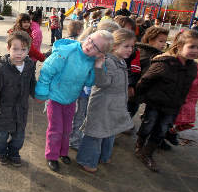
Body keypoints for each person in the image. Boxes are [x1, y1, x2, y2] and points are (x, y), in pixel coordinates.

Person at [35, 30, 113, 172]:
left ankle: (63, 152)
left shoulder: (91, 60)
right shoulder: (67, 51)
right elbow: (47, 70)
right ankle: (51, 155)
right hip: (55, 98)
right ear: (88, 36)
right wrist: (41, 92)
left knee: (67, 129)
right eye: (90, 40)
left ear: (101, 53)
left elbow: (89, 82)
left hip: (71, 99)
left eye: (96, 47)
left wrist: (97, 65)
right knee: (56, 129)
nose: (90, 46)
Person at [135, 29, 198, 172]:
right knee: (148, 126)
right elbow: (146, 80)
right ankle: (139, 144)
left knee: (161, 130)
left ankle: (147, 153)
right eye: (191, 46)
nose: (195, 51)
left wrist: (184, 104)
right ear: (179, 46)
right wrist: (139, 95)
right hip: (155, 103)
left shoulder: (192, 67)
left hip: (173, 106)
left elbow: (188, 88)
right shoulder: (164, 63)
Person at [76, 29, 135, 173]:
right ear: (115, 46)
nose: (130, 50)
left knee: (109, 131)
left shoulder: (120, 61)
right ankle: (87, 160)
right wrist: (98, 67)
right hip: (102, 105)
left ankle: (104, 155)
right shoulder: (107, 61)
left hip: (114, 105)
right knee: (95, 133)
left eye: (132, 46)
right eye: (126, 46)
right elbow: (102, 82)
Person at [0, 30, 36, 167]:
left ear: (28, 50)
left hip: (21, 110)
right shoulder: (1, 67)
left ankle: (14, 152)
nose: (19, 53)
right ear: (8, 48)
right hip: (3, 111)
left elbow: (32, 82)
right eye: (15, 49)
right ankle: (1, 152)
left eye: (23, 49)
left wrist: (38, 94)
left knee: (19, 137)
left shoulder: (29, 65)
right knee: (0, 137)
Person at [165, 47, 198, 147]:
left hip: (190, 101)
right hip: (184, 101)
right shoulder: (194, 72)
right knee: (180, 121)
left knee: (183, 122)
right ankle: (165, 135)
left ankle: (170, 132)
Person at [128, 26, 170, 117]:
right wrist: (130, 85)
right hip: (133, 88)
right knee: (129, 109)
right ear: (150, 39)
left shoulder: (158, 55)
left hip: (139, 91)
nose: (163, 44)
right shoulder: (142, 53)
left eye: (165, 42)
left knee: (131, 109)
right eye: (161, 41)